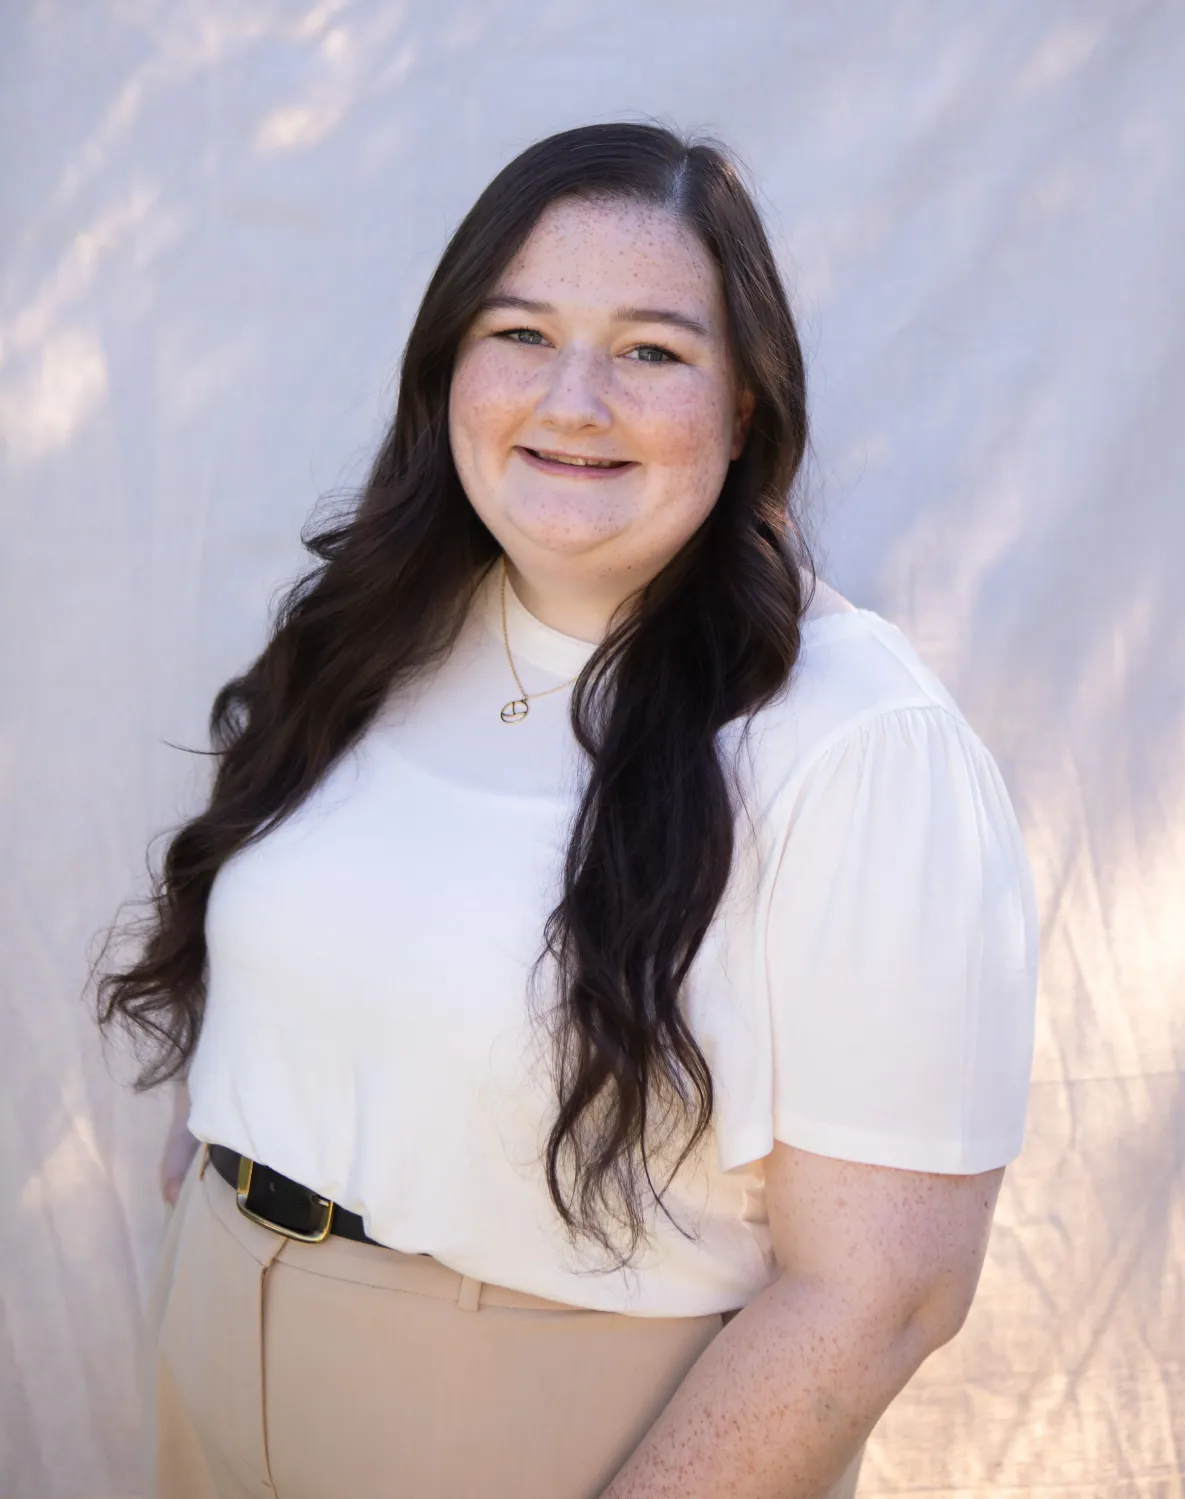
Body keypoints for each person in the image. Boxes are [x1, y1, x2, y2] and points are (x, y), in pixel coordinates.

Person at [97, 122, 1039, 1499]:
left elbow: (885, 1289)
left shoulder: (857, 739)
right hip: (218, 1352)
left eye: (652, 350)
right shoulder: (382, 631)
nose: (573, 400)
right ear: (448, 370)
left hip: (541, 1427)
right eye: (521, 332)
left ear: (747, 410)